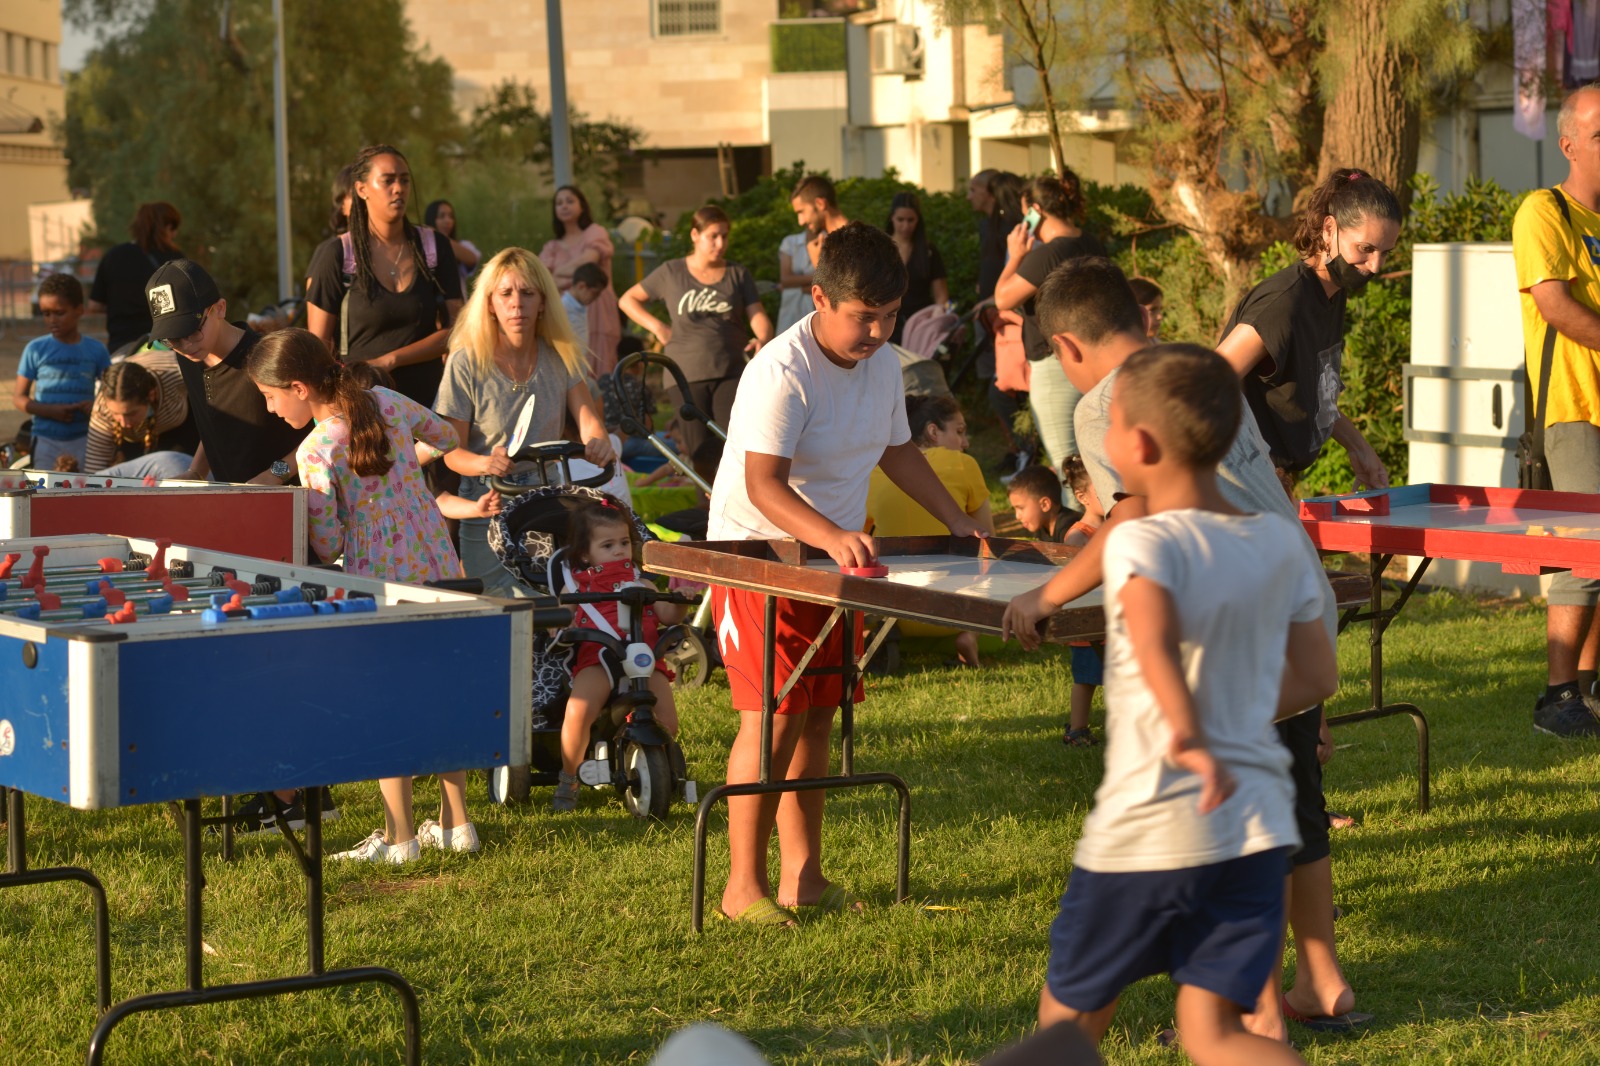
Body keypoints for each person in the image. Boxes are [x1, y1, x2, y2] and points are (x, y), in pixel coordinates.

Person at [1001, 258, 1370, 1043]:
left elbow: (1130, 523)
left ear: (1065, 348)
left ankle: (1255, 1009)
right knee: (1287, 804)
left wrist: (1048, 596)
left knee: (1076, 1007)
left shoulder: (1114, 405)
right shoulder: (1204, 379)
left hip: (1167, 790)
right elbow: (1316, 671)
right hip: (1291, 617)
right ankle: (1306, 986)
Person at [708, 221, 987, 925]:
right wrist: (833, 535)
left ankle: (803, 877)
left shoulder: (885, 364)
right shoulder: (782, 370)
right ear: (820, 299)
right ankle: (742, 888)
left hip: (834, 560)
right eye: (865, 317)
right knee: (772, 719)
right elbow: (764, 485)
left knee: (817, 716)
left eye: (889, 316)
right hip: (757, 556)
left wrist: (955, 520)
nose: (879, 332)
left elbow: (897, 450)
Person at [247, 327, 481, 863]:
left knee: (388, 701)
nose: (270, 408)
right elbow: (447, 437)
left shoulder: (315, 450)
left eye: (270, 396)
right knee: (441, 689)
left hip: (381, 578)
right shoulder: (388, 403)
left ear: (299, 387)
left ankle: (400, 838)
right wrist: (404, 473)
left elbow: (328, 542)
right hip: (436, 559)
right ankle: (456, 824)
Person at [435, 247, 615, 596]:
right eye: (506, 293)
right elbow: (451, 452)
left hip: (545, 493)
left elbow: (590, 422)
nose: (517, 303)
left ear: (543, 302)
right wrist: (486, 462)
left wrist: (598, 444)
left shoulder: (560, 355)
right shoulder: (465, 362)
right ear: (490, 303)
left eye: (528, 293)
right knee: (495, 605)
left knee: (550, 602)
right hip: (488, 498)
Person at [1215, 168, 1400, 493]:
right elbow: (1205, 384)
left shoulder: (1332, 295)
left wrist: (1360, 448)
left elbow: (1318, 396)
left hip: (1274, 481)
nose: (1376, 266)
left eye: (1385, 253)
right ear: (1329, 229)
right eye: (1365, 248)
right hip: (1243, 487)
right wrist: (1259, 469)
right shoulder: (1283, 303)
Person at [1512, 84, 1600, 738]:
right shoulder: (1545, 211)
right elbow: (1555, 306)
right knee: (1588, 546)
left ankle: (1588, 689)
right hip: (1573, 409)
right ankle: (1557, 696)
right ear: (1568, 145)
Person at [552, 499, 689, 811]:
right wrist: (560, 623)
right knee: (578, 712)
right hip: (600, 659)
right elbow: (560, 617)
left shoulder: (642, 583)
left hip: (644, 660)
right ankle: (569, 776)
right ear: (585, 554)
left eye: (624, 542)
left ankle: (648, 756)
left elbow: (668, 615)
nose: (619, 551)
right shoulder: (577, 588)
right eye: (608, 545)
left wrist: (680, 601)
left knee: (668, 721)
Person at [305, 144, 464, 407]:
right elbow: (318, 348)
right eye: (388, 180)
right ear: (361, 189)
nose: (398, 188)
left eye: (404, 180)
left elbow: (457, 330)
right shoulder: (338, 254)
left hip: (427, 408)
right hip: (363, 406)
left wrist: (391, 360)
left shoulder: (435, 247)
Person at [619, 204, 773, 461]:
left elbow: (757, 315)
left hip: (731, 370)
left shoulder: (737, 273)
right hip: (685, 374)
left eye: (724, 236)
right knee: (700, 453)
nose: (720, 243)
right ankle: (705, 490)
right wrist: (658, 327)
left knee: (735, 448)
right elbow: (627, 300)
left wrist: (763, 338)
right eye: (713, 236)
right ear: (695, 235)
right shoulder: (671, 272)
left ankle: (733, 490)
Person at [145, 259, 308, 485]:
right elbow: (213, 423)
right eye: (172, 338)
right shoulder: (189, 357)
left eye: (192, 331)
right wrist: (196, 471)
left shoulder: (269, 357)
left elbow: (320, 429)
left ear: (220, 308)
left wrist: (276, 474)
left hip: (294, 496)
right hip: (233, 496)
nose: (185, 345)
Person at [866, 394, 994, 668]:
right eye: (959, 431)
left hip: (892, 613)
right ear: (933, 431)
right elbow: (990, 539)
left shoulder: (874, 470)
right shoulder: (964, 464)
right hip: (956, 611)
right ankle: (970, 635)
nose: (965, 443)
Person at [994, 170, 1108, 472]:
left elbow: (1003, 299)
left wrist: (1015, 255)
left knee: (1067, 464)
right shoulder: (1092, 242)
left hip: (1055, 364)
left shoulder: (1047, 254)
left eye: (1025, 213)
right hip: (1095, 357)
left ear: (1036, 210)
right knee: (1097, 457)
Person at [14, 273, 110, 470]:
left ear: (79, 310)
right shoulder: (35, 349)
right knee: (45, 487)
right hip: (45, 439)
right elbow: (19, 398)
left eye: (59, 313)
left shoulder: (96, 350)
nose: (52, 320)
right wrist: (49, 411)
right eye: (46, 313)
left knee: (86, 486)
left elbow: (112, 394)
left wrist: (96, 406)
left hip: (86, 438)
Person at [540, 185, 622, 374]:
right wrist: (557, 279)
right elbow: (543, 280)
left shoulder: (594, 232)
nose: (564, 206)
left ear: (582, 206)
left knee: (599, 361)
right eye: (559, 203)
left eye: (570, 201)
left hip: (596, 307)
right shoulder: (552, 247)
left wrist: (557, 274)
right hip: (564, 311)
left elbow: (587, 262)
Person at [84, 351, 198, 479]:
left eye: (131, 413)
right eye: (116, 414)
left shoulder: (177, 372)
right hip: (135, 443)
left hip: (181, 428)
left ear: (151, 395)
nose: (124, 423)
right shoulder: (102, 411)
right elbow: (94, 472)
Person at [89, 201, 184, 353]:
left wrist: (120, 306)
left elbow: (95, 305)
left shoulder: (114, 256)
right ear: (167, 228)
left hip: (123, 346)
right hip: (164, 346)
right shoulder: (175, 259)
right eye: (173, 229)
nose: (175, 235)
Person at [1060, 455, 1106, 748]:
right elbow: (1076, 577)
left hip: (1112, 617)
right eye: (1102, 488)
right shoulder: (1078, 536)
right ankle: (1077, 728)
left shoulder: (1112, 527)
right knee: (1086, 677)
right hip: (1087, 621)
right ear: (1082, 497)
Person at [883, 192, 950, 346]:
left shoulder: (928, 251)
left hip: (919, 325)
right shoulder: (881, 248)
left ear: (918, 220)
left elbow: (941, 295)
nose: (906, 226)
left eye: (911, 220)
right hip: (887, 321)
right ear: (892, 218)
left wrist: (938, 314)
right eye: (900, 219)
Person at [790, 173, 850, 277]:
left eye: (801, 212)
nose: (800, 222)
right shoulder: (829, 239)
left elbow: (848, 287)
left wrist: (818, 262)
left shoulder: (853, 240)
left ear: (820, 204)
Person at [1006, 464, 1074, 543]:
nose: (1017, 516)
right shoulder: (1041, 525)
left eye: (1021, 508)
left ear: (1045, 505)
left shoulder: (1070, 531)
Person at [424, 199, 481, 286]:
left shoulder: (462, 245)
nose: (448, 221)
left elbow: (472, 260)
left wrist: (437, 236)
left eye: (451, 216)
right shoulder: (421, 247)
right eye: (442, 216)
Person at [776, 227, 815, 332]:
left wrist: (796, 285)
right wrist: (818, 278)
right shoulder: (790, 242)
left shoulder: (831, 241)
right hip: (791, 312)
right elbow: (785, 279)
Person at [567, 261, 610, 354]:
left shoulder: (581, 307)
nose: (596, 298)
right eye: (595, 293)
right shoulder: (563, 309)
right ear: (581, 286)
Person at [1129, 277, 1165, 342]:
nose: (1160, 317)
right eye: (1152, 310)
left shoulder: (1154, 343)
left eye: (1160, 309)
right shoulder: (1119, 347)